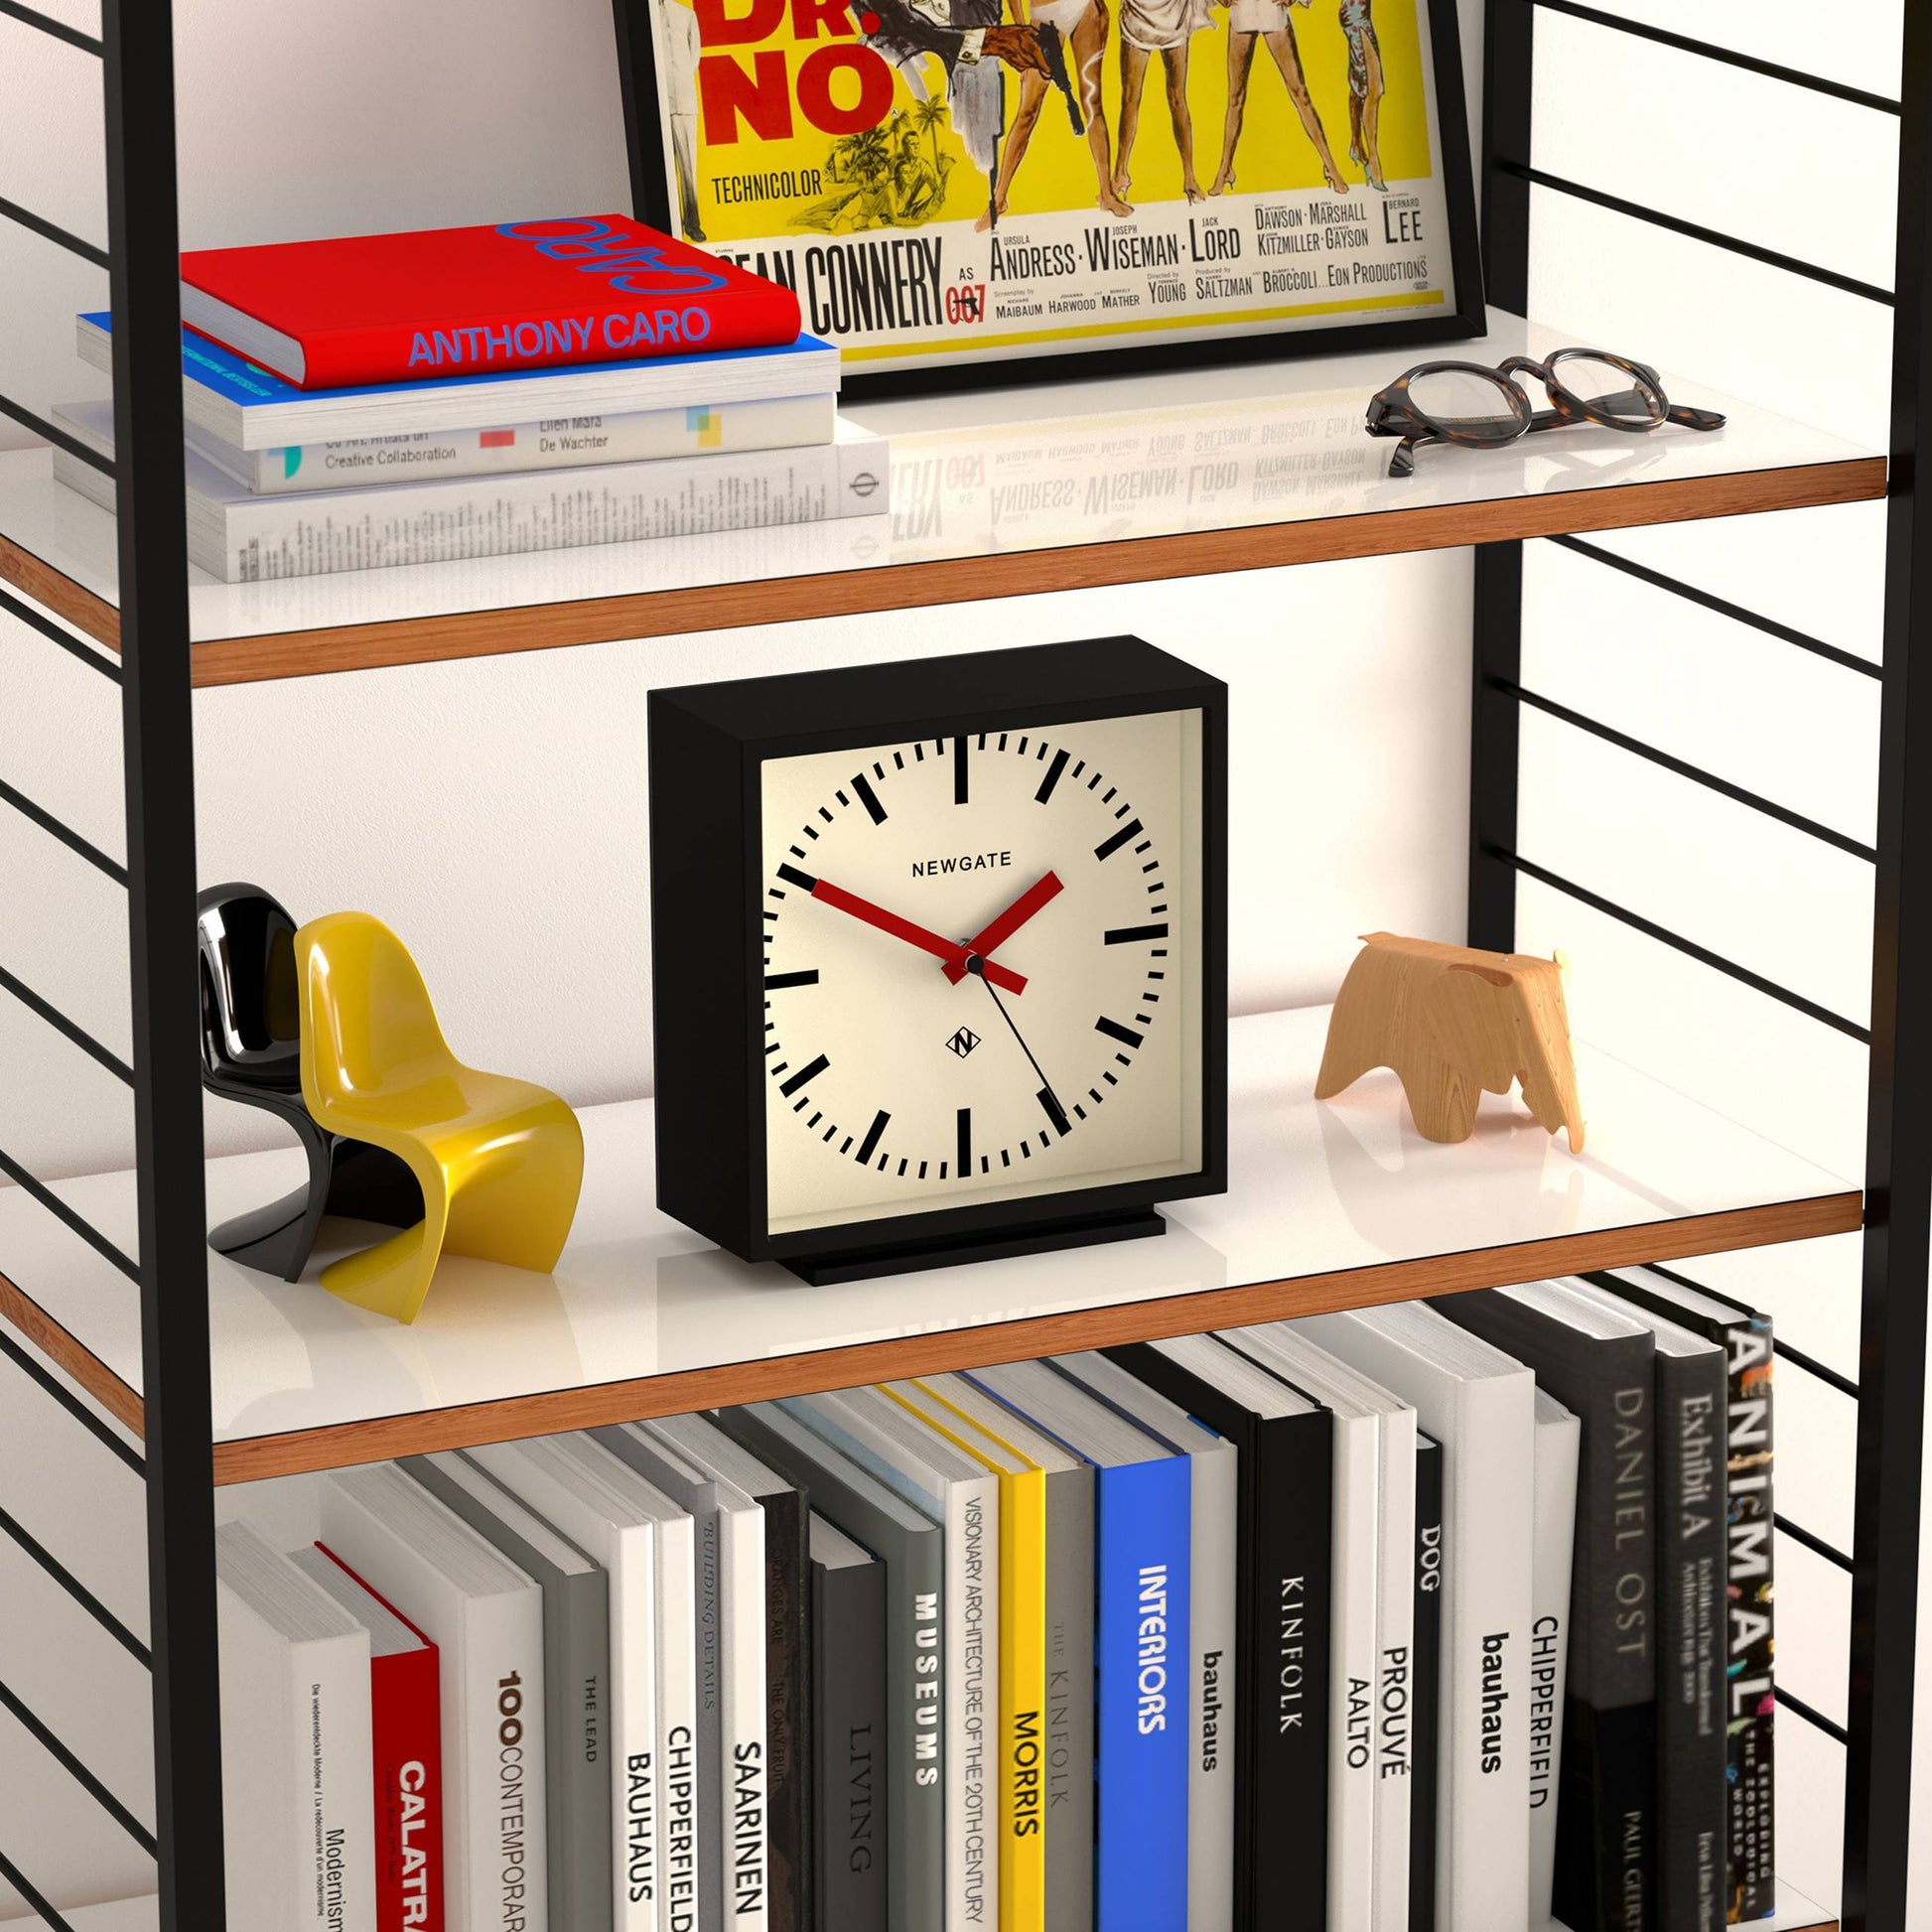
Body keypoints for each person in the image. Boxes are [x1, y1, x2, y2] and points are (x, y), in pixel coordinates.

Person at [980, 0, 1130, 227]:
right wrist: (1022, 31)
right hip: (1044, 16)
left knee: (1092, 103)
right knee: (1027, 112)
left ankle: (1106, 194)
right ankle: (999, 200)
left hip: (1085, 10)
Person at [1209, 0, 1345, 197]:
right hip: (1242, 13)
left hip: (1272, 12)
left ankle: (1331, 167)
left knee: (1300, 93)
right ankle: (1225, 170)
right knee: (1235, 97)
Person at [1111, 0, 1213, 206]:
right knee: (1131, 98)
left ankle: (1189, 177)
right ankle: (1120, 173)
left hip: (1173, 16)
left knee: (1176, 99)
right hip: (1139, 17)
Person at [1340, 0, 1387, 191]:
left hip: (1358, 12)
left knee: (1359, 84)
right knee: (1374, 89)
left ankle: (1356, 145)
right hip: (1357, 14)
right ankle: (1373, 162)